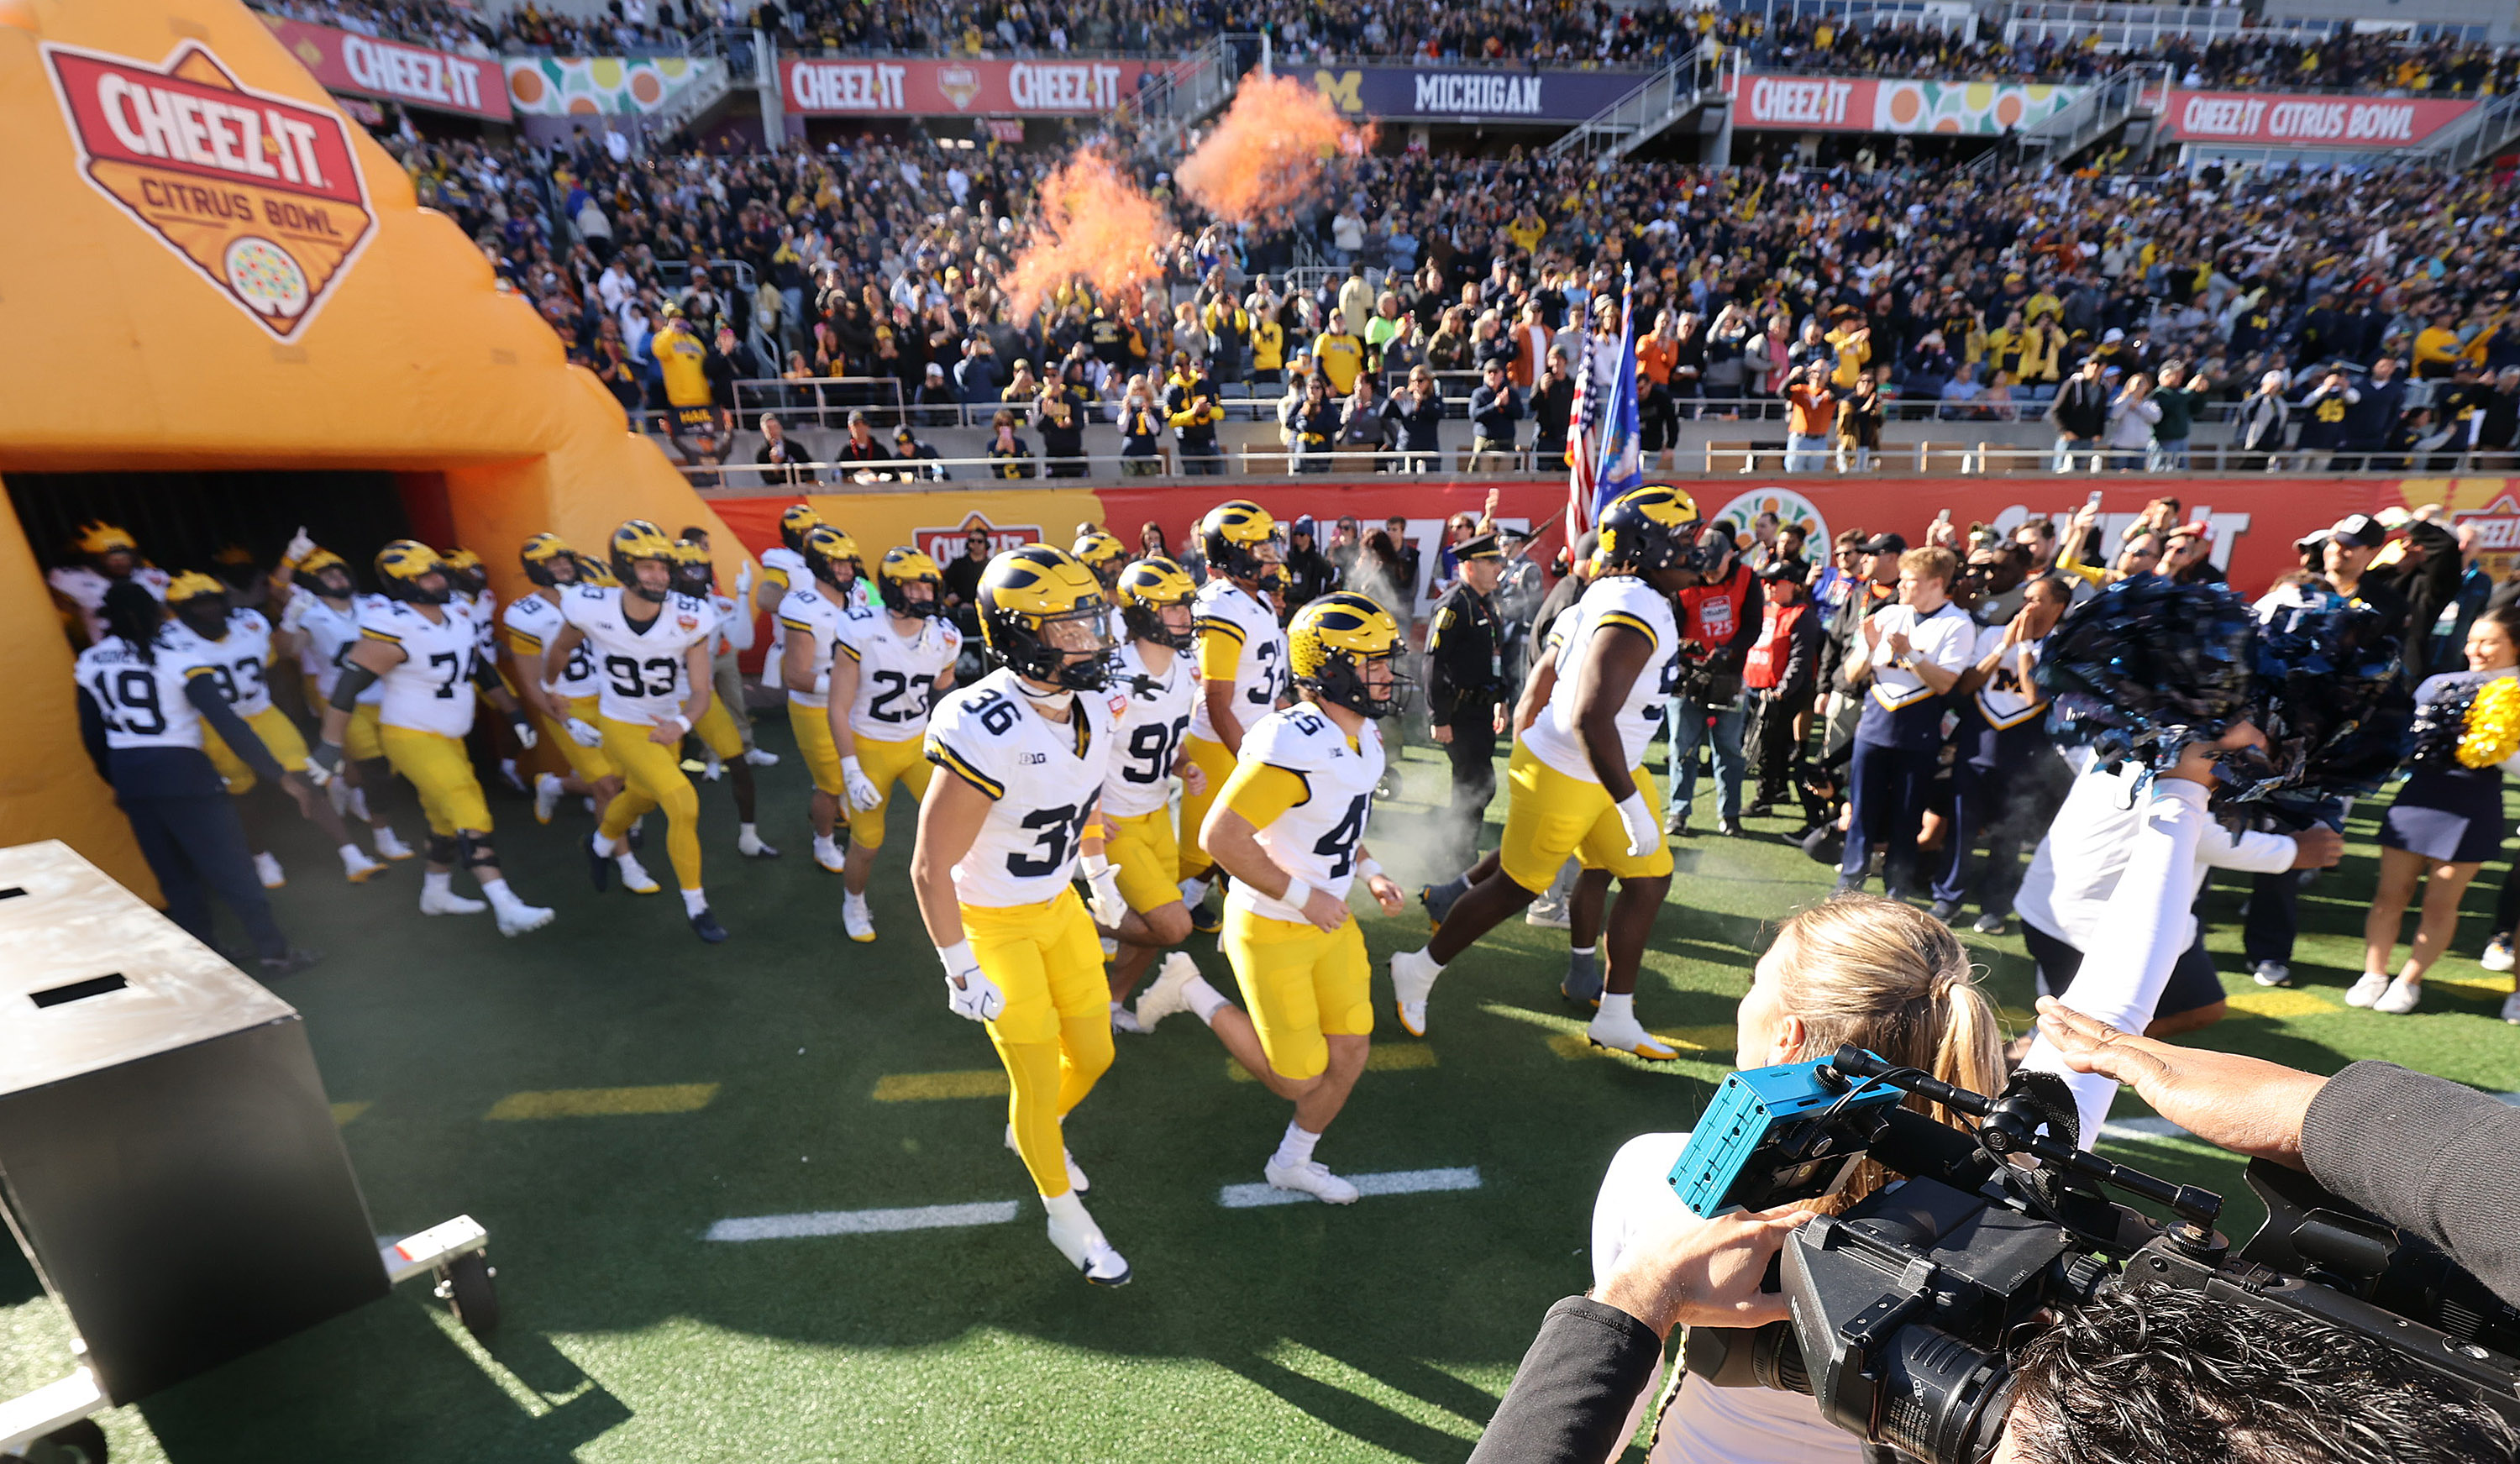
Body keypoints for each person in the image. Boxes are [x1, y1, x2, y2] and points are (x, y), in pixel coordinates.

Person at [1583, 895, 2005, 1463]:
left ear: (1788, 1036)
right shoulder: (2020, 1220)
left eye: (1755, 981)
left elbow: (1613, 1379)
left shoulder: (1665, 1178)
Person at [1389, 487, 1718, 1057]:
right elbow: (1590, 714)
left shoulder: (1611, 591)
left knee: (1648, 878)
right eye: (1683, 537)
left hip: (1600, 763)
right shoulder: (1635, 603)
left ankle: (1615, 1013)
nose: (1696, 547)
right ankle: (1416, 969)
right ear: (1645, 546)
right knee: (1516, 886)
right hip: (1574, 767)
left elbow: (1547, 669)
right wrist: (1629, 803)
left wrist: (1527, 728)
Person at [1136, 593, 1410, 1205]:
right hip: (1272, 922)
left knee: (1351, 1048)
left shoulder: (1363, 737)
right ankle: (1190, 989)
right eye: (1372, 662)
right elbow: (1220, 838)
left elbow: (1341, 822)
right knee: (1295, 1077)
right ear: (1331, 670)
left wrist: (1370, 871)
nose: (1387, 674)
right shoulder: (1294, 742)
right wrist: (1305, 896)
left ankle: (1292, 1161)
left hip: (1327, 918)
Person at [913, 544, 1127, 1286]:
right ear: (1018, 636)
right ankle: (1065, 1215)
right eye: (1067, 628)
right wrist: (958, 965)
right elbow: (929, 866)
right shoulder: (982, 721)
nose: (1089, 640)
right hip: (994, 919)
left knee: (1094, 1054)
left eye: (1089, 622)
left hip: (1059, 904)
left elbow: (1081, 793)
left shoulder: (1094, 703)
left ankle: (1030, 1131)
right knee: (1035, 1074)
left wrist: (1096, 870)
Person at [75, 581, 320, 978]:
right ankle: (274, 953)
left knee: (175, 877)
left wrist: (118, 780)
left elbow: (91, 735)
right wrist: (278, 775)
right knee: (232, 866)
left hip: (130, 773)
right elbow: (228, 724)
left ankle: (206, 960)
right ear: (157, 614)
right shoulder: (177, 658)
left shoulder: (90, 661)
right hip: (183, 770)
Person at [310, 542, 553, 939]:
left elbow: (479, 667)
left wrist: (514, 713)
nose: (438, 581)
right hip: (412, 735)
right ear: (403, 584)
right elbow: (348, 686)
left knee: (444, 820)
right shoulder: (394, 625)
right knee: (468, 807)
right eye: (425, 576)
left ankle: (436, 894)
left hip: (449, 735)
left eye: (438, 572)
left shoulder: (457, 612)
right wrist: (330, 744)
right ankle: (506, 906)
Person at [544, 522, 728, 944]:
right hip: (622, 724)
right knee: (682, 802)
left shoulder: (690, 615)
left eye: (663, 567)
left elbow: (701, 690)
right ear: (624, 568)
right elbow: (561, 647)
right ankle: (697, 906)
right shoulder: (592, 605)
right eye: (647, 567)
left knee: (642, 797)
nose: (659, 576)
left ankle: (599, 842)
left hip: (666, 726)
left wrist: (681, 724)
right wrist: (548, 686)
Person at [159, 570, 384, 889]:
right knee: (242, 793)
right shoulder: (167, 640)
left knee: (306, 778)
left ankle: (351, 855)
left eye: (213, 602)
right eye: (198, 606)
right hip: (212, 723)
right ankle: (261, 856)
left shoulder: (250, 623)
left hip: (261, 711)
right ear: (181, 611)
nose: (210, 611)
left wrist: (290, 710)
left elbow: (273, 669)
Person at [2353, 605, 2520, 1015]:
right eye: (2472, 640)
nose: (2475, 649)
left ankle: (2409, 981)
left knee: (2441, 902)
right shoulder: (2438, 683)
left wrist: (2494, 745)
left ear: (2515, 646)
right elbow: (2402, 740)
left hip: (2472, 806)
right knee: (2390, 894)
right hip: (2420, 797)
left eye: (2489, 642)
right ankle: (2373, 974)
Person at [824, 547, 962, 944]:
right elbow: (838, 706)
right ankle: (853, 902)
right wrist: (851, 770)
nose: (923, 595)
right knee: (867, 843)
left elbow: (944, 689)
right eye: (913, 587)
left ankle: (972, 900)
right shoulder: (861, 627)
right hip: (870, 745)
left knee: (959, 825)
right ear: (892, 589)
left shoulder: (945, 636)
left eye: (928, 587)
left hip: (919, 743)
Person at [1092, 559, 1204, 1033]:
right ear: (1141, 614)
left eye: (1185, 605)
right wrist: (1090, 815)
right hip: (1116, 821)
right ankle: (1067, 917)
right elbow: (1079, 753)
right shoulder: (1111, 675)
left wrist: (1185, 765)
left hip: (1157, 812)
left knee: (1151, 927)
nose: (1184, 615)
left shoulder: (1188, 668)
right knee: (1174, 925)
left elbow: (1167, 742)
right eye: (1172, 607)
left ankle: (1112, 1003)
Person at [1175, 501, 1290, 937]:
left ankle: (1190, 900)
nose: (1271, 558)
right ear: (1232, 555)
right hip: (1221, 745)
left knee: (1240, 840)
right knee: (1199, 851)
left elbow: (1257, 681)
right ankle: (1136, 913)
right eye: (1261, 550)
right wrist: (1247, 758)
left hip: (1251, 735)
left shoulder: (1256, 600)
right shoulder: (1222, 604)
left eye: (1270, 548)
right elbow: (1216, 700)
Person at [1836, 546, 1974, 901]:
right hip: (1873, 727)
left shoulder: (1958, 624)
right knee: (1861, 814)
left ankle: (1897, 893)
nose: (1901, 586)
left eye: (1910, 580)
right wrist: (1869, 647)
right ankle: (1847, 887)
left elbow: (1945, 683)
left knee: (1907, 818)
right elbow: (1852, 674)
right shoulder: (1888, 614)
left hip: (1917, 733)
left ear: (1936, 583)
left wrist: (1909, 652)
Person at [1941, 575, 2072, 935]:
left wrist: (2025, 645)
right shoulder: (1992, 635)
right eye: (2025, 598)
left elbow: (2034, 695)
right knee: (1961, 829)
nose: (2026, 606)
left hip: (2025, 757)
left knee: (2008, 837)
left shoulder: (2063, 646)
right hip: (1977, 747)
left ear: (2058, 606)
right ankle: (1948, 898)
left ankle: (1995, 908)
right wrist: (2003, 647)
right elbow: (1966, 686)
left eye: (2036, 600)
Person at [273, 544, 410, 862]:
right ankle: (383, 835)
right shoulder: (311, 614)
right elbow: (284, 652)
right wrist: (290, 620)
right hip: (343, 701)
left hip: (386, 695)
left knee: (392, 764)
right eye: (328, 576)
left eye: (339, 572)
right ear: (314, 582)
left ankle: (342, 783)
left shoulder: (376, 604)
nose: (337, 579)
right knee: (375, 768)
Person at [502, 533, 624, 826]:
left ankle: (553, 786)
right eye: (551, 562)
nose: (562, 566)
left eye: (564, 559)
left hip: (611, 698)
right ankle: (614, 846)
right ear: (535, 569)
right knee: (606, 785)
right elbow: (531, 682)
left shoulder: (595, 594)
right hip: (568, 704)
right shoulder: (526, 614)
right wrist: (567, 722)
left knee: (623, 778)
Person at [666, 538, 775, 861]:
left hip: (701, 695)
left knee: (739, 763)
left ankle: (749, 837)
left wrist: (742, 595)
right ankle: (628, 829)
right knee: (649, 782)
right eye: (686, 569)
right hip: (660, 700)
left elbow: (743, 639)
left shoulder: (715, 605)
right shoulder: (655, 607)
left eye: (699, 568)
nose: (694, 576)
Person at [779, 524, 869, 875]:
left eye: (850, 563)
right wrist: (844, 685)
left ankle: (836, 813)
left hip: (853, 703)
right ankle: (823, 841)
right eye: (838, 564)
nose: (847, 570)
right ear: (818, 565)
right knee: (830, 783)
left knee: (856, 769)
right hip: (816, 708)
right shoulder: (803, 606)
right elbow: (796, 676)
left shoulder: (860, 593)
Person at [1667, 530, 1756, 837]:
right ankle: (1678, 812)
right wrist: (1685, 651)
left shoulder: (1747, 578)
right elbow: (1671, 626)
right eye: (1704, 569)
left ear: (1729, 556)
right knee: (1682, 748)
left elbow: (1753, 626)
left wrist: (1730, 651)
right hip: (1688, 677)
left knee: (1729, 748)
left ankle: (1730, 814)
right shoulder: (1684, 580)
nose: (1709, 575)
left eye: (1715, 568)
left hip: (1729, 675)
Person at [1425, 532, 1507, 868]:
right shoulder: (1454, 605)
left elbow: (1494, 656)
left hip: (1480, 711)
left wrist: (1500, 699)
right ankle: (1457, 855)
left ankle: (1453, 848)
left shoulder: (1484, 603)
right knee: (1473, 786)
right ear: (1469, 567)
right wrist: (1439, 717)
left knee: (1480, 786)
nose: (1498, 568)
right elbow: (1433, 662)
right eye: (1490, 562)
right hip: (1459, 714)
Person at [1742, 559, 1822, 823]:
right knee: (1767, 742)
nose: (1768, 586)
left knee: (1769, 745)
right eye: (1765, 581)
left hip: (1780, 692)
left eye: (1775, 582)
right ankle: (1778, 789)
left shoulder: (1802, 615)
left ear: (1793, 585)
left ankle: (1764, 797)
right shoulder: (1764, 610)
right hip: (1756, 685)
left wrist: (1782, 691)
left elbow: (1800, 659)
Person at [50, 519, 171, 648]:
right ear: (93, 559)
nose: (121, 562)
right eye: (113, 558)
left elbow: (171, 611)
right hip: (111, 650)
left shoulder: (151, 576)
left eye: (126, 556)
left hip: (160, 645)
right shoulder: (71, 579)